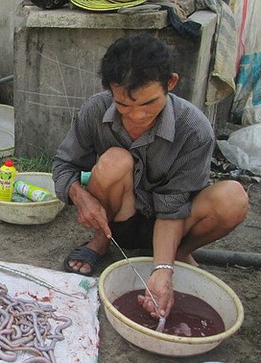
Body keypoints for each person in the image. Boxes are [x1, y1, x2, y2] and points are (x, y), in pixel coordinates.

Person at [52, 33, 248, 320]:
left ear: (170, 83)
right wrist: (79, 195)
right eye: (123, 105)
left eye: (148, 104)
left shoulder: (194, 129)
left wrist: (162, 270)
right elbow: (63, 164)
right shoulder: (95, 109)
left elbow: (174, 206)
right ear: (110, 91)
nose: (137, 116)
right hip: (120, 217)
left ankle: (176, 255)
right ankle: (101, 240)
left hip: (175, 222)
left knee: (233, 198)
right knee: (115, 161)